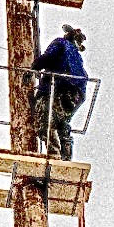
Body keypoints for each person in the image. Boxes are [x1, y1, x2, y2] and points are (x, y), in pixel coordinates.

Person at [30, 25, 88, 160]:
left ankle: (55, 156)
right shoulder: (77, 57)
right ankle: (66, 157)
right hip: (75, 95)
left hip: (58, 87)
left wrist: (33, 68)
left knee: (45, 121)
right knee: (62, 123)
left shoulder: (61, 43)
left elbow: (48, 57)